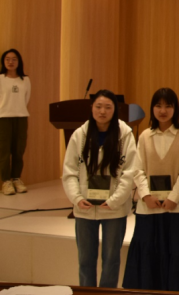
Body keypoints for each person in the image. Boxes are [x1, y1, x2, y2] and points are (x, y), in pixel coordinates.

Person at [123, 88, 179, 291]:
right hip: (149, 208)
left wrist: (174, 197)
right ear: (152, 108)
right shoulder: (145, 136)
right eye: (158, 105)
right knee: (148, 260)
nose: (163, 110)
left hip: (177, 208)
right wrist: (146, 195)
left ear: (175, 109)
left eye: (168, 105)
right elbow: (137, 169)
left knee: (177, 258)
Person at [62, 90, 138, 287]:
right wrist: (77, 198)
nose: (102, 111)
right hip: (85, 208)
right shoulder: (79, 135)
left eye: (107, 107)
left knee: (111, 260)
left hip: (113, 208)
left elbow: (130, 173)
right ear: (91, 108)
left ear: (115, 110)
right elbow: (69, 172)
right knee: (85, 260)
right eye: (98, 106)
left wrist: (114, 200)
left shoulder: (125, 135)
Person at [0, 48, 31, 195]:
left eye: (14, 59)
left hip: (21, 117)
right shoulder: (0, 78)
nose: (10, 62)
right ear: (3, 61)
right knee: (4, 151)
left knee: (19, 150)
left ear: (19, 62)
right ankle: (6, 182)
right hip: (3, 118)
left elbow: (26, 99)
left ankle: (16, 179)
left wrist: (18, 110)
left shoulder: (25, 80)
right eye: (7, 59)